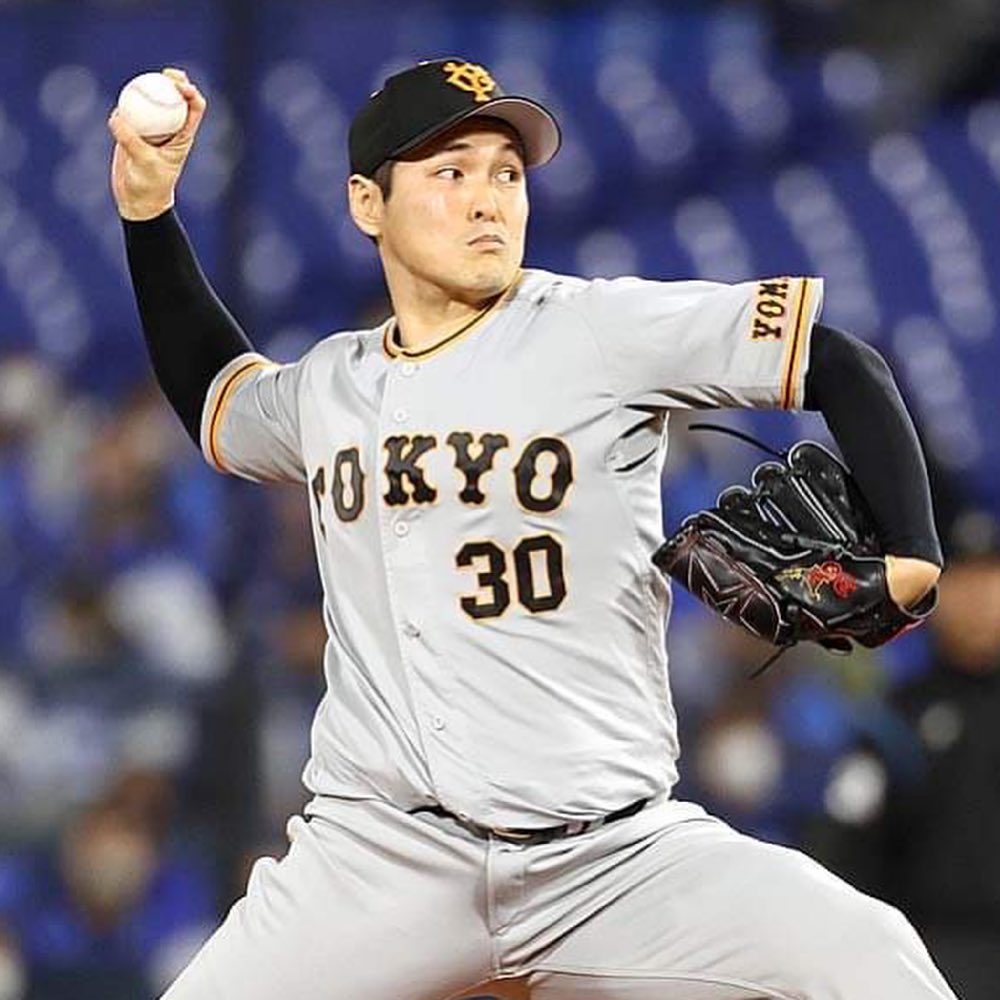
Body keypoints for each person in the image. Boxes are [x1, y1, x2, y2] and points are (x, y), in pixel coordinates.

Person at [108, 59, 955, 1000]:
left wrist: (913, 555)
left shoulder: (596, 328)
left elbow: (838, 359)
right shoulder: (330, 386)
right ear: (366, 204)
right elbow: (216, 397)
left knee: (868, 957)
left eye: (506, 173)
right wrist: (148, 211)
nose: (488, 200)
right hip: (380, 859)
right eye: (450, 171)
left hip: (614, 858)